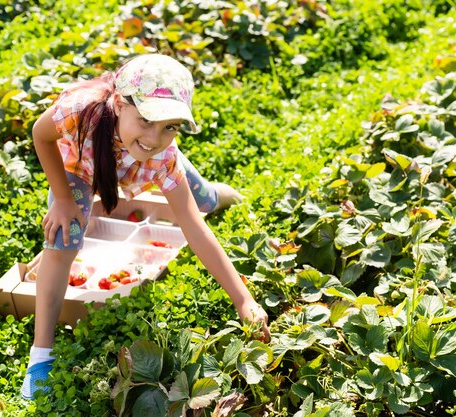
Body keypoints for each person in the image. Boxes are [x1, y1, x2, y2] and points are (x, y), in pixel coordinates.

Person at [21, 53, 270, 400]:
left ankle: (219, 195)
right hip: (79, 168)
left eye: (170, 126)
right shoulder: (81, 110)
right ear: (120, 104)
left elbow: (196, 230)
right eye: (146, 121)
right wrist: (63, 199)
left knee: (202, 202)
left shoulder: (161, 155)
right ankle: (40, 358)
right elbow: (40, 134)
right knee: (65, 237)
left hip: (140, 169)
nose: (155, 137)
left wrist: (244, 301)